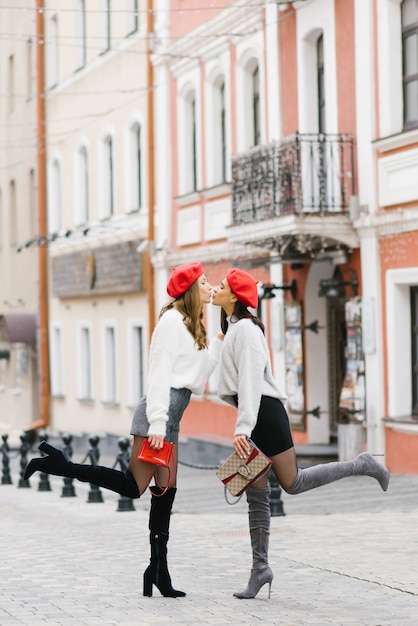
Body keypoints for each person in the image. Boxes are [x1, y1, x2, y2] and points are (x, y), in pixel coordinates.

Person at [25, 261, 221, 598]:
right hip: (155, 416)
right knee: (135, 488)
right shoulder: (171, 323)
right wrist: (158, 422)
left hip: (171, 416)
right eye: (204, 283)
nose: (210, 287)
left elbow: (200, 373)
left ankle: (158, 570)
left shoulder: (191, 324)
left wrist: (218, 328)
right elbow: (158, 374)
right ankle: (57, 464)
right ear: (190, 289)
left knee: (166, 493)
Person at [211, 268, 389, 600]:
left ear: (234, 296)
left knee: (293, 483)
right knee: (256, 496)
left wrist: (243, 427)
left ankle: (363, 464)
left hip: (264, 415)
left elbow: (251, 381)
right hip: (252, 413)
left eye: (220, 286)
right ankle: (259, 569)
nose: (215, 288)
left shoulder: (247, 330)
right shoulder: (232, 328)